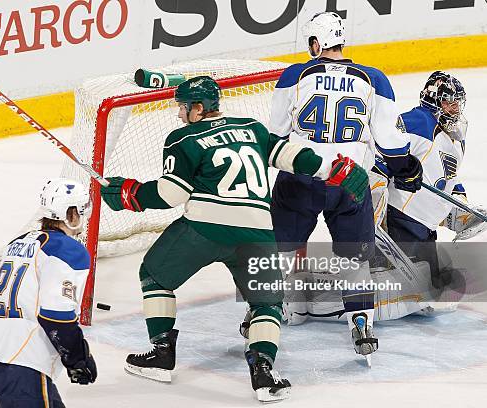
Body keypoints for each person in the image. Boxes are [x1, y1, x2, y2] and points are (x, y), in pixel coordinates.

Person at [100, 75, 368, 402]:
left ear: (198, 108)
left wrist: (130, 194)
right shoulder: (252, 129)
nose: (179, 114)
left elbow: (173, 194)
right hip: (257, 229)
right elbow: (294, 157)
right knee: (266, 304)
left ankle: (161, 354)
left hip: (205, 228)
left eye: (183, 108)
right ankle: (264, 373)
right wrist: (334, 169)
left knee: (154, 275)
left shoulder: (183, 138)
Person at [268, 12, 424, 361]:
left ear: (315, 44)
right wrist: (406, 168)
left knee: (286, 248)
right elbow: (391, 145)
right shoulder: (375, 79)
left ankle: (284, 310)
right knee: (355, 256)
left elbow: (276, 137)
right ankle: (360, 320)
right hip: (349, 180)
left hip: (299, 177)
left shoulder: (295, 75)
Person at [0, 178, 97, 408]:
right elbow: (56, 314)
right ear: (71, 215)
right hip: (21, 366)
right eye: (81, 212)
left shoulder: (17, 244)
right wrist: (77, 358)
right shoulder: (68, 251)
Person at [373, 71, 486, 288]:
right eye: (449, 102)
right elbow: (385, 146)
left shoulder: (454, 135)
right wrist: (377, 182)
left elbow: (446, 172)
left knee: (431, 286)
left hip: (425, 224)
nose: (455, 108)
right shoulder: (419, 121)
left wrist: (458, 197)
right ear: (433, 100)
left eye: (458, 103)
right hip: (403, 217)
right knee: (405, 287)